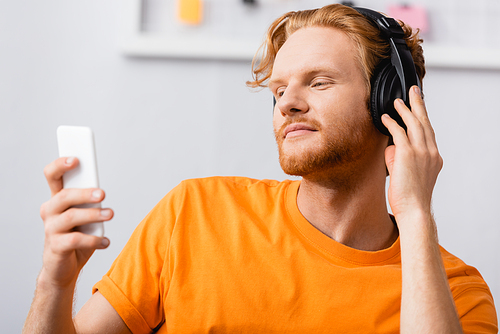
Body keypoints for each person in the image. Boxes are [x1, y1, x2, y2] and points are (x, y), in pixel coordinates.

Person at [23, 4, 497, 334]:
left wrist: (415, 214)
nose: (287, 102)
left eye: (319, 81)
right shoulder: (193, 213)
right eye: (278, 90)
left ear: (387, 104)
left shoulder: (456, 292)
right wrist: (55, 281)